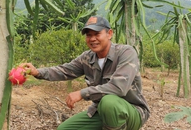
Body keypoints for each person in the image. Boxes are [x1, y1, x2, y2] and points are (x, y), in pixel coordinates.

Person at [21, 15, 150, 130]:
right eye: (89, 35)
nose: (92, 39)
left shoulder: (125, 53)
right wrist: (37, 72)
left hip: (132, 112)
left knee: (109, 102)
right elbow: (65, 70)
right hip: (101, 112)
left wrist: (82, 93)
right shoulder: (87, 58)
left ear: (109, 34)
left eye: (97, 34)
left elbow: (118, 87)